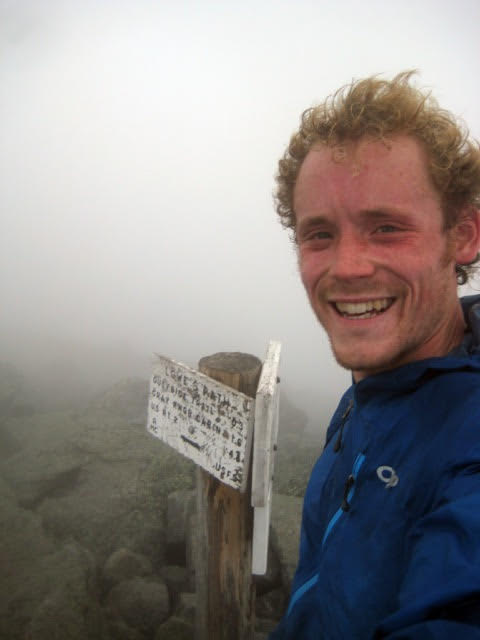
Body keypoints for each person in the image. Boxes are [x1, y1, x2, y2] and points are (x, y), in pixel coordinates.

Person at [270, 71, 480, 639]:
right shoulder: (381, 383)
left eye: (385, 228)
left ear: (463, 235)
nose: (347, 267)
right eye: (319, 235)